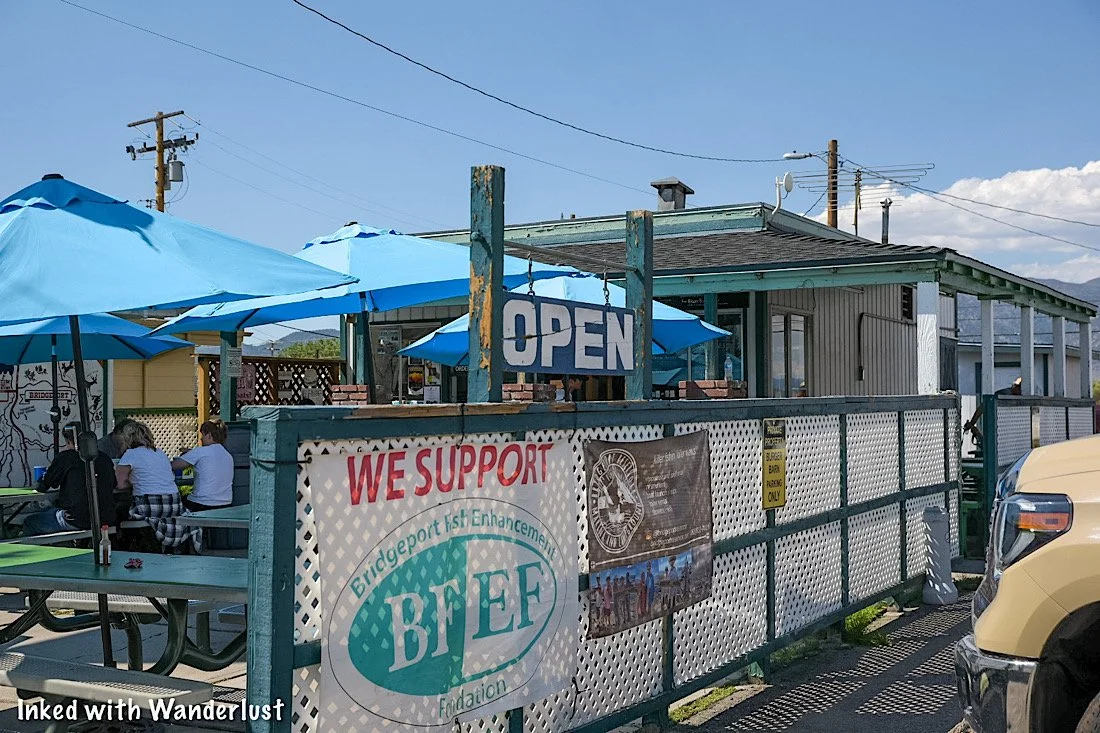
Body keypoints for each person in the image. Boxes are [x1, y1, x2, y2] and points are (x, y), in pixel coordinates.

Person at [116, 421, 199, 553]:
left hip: (150, 507)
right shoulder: (160, 453)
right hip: (174, 505)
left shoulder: (130, 454)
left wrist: (133, 483)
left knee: (117, 511)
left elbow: (120, 484)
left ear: (127, 438)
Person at [24, 422, 116, 535]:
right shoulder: (105, 458)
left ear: (68, 441)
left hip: (76, 519)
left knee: (30, 521)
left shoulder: (65, 458)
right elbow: (113, 484)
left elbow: (44, 485)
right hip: (106, 519)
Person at [171, 419, 234, 512]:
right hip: (226, 503)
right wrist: (191, 452)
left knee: (177, 500)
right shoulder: (228, 455)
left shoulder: (201, 451)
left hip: (202, 503)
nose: (201, 439)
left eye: (202, 435)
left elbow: (173, 466)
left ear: (209, 435)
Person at [964, 377, 1022, 447]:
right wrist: (972, 422)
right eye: (1018, 387)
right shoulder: (1006, 394)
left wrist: (972, 422)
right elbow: (983, 407)